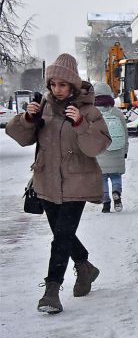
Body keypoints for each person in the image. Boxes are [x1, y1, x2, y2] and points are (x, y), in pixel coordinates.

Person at [5, 53, 111, 314]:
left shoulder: (89, 110)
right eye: (52, 84)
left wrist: (80, 123)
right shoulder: (43, 107)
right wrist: (27, 120)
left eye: (62, 85)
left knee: (61, 237)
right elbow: (21, 137)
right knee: (62, 234)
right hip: (47, 181)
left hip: (78, 183)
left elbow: (98, 145)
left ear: (73, 85)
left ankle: (51, 290)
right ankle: (85, 266)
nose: (57, 89)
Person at [93, 82, 129, 213]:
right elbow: (125, 133)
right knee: (115, 175)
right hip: (117, 149)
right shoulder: (117, 112)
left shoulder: (92, 113)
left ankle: (106, 203)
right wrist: (125, 151)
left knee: (102, 178)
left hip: (99, 151)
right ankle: (116, 192)